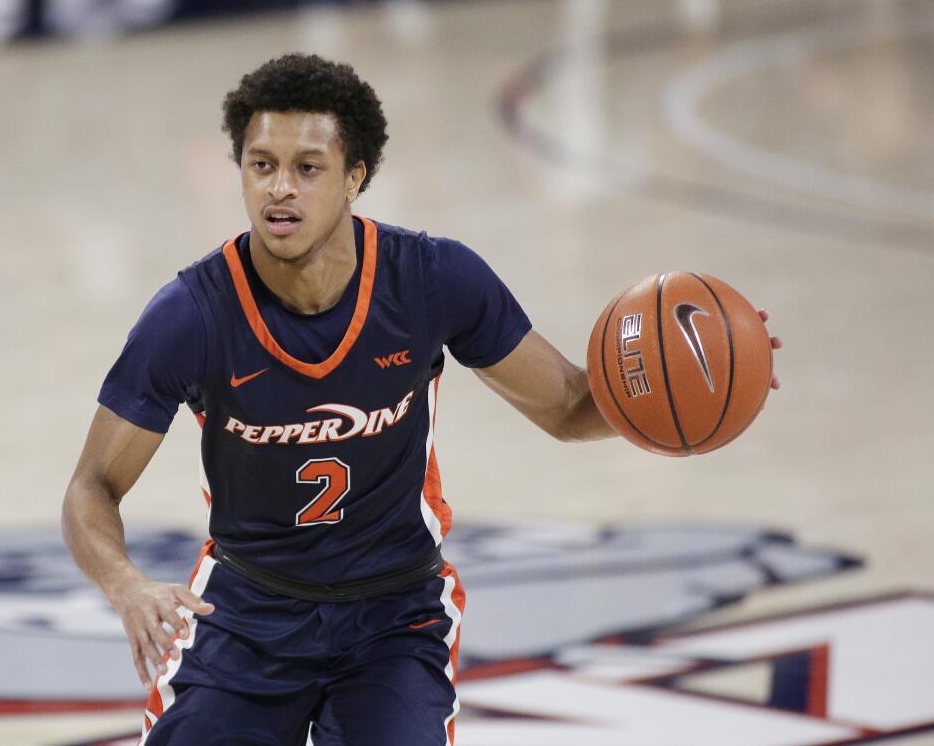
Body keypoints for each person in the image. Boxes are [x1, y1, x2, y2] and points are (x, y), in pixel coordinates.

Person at [61, 53, 778, 745]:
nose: (280, 187)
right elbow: (92, 488)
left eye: (308, 168)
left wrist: (697, 377)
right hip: (248, 611)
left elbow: (566, 406)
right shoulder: (192, 315)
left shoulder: (433, 280)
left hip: (393, 613)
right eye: (262, 166)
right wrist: (125, 585)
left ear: (354, 178)